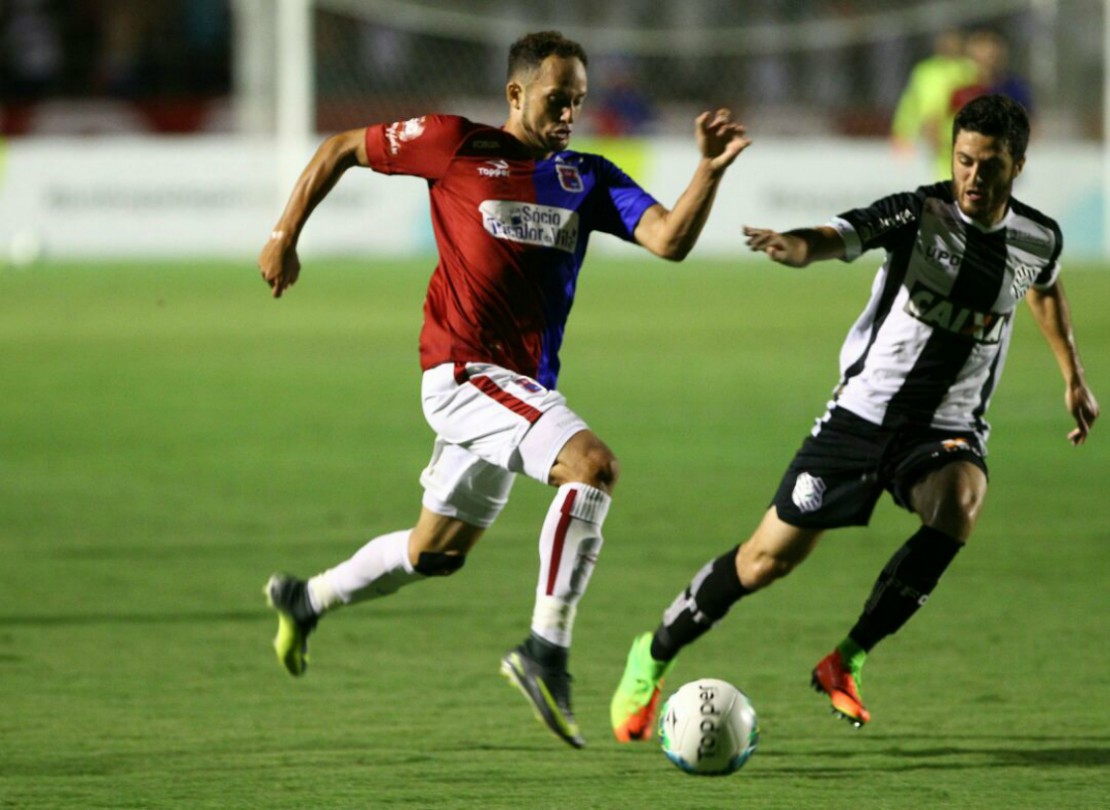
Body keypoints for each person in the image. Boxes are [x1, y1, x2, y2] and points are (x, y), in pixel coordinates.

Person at [258, 30, 751, 749]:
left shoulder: (589, 176)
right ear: (515, 94)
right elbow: (339, 147)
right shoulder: (454, 144)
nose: (569, 114)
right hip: (462, 374)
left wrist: (707, 170)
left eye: (579, 101)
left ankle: (307, 599)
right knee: (593, 468)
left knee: (437, 552)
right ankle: (545, 650)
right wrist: (284, 232)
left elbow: (670, 238)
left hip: (515, 389)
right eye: (558, 99)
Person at [610, 94, 1098, 741]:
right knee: (764, 563)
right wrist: (795, 245)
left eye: (991, 166)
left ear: (1019, 165)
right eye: (965, 161)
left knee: (961, 504)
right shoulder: (919, 213)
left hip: (944, 430)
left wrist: (1073, 374)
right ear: (951, 155)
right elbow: (842, 235)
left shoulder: (1038, 237)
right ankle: (655, 651)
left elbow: (1044, 285)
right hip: (860, 420)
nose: (974, 178)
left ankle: (849, 658)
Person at [890, 29, 977, 179]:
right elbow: (911, 103)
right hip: (931, 134)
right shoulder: (925, 70)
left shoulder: (969, 71)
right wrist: (902, 131)